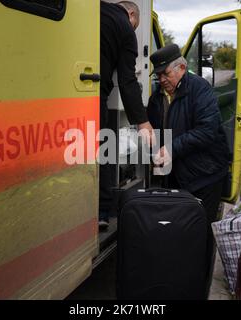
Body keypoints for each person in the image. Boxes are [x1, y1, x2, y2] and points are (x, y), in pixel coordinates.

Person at [147, 44, 231, 296]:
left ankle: (198, 289)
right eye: (158, 75)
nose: (162, 79)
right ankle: (177, 282)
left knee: (199, 235)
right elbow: (153, 128)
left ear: (182, 68)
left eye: (166, 74)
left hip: (205, 175)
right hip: (178, 175)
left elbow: (207, 130)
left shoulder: (199, 89)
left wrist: (171, 149)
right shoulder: (158, 96)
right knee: (179, 232)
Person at [99, 1, 154, 230]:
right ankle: (102, 212)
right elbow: (127, 81)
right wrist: (143, 121)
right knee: (102, 152)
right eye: (135, 26)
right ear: (131, 14)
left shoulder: (93, 10)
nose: (133, 30)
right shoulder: (124, 28)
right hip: (93, 96)